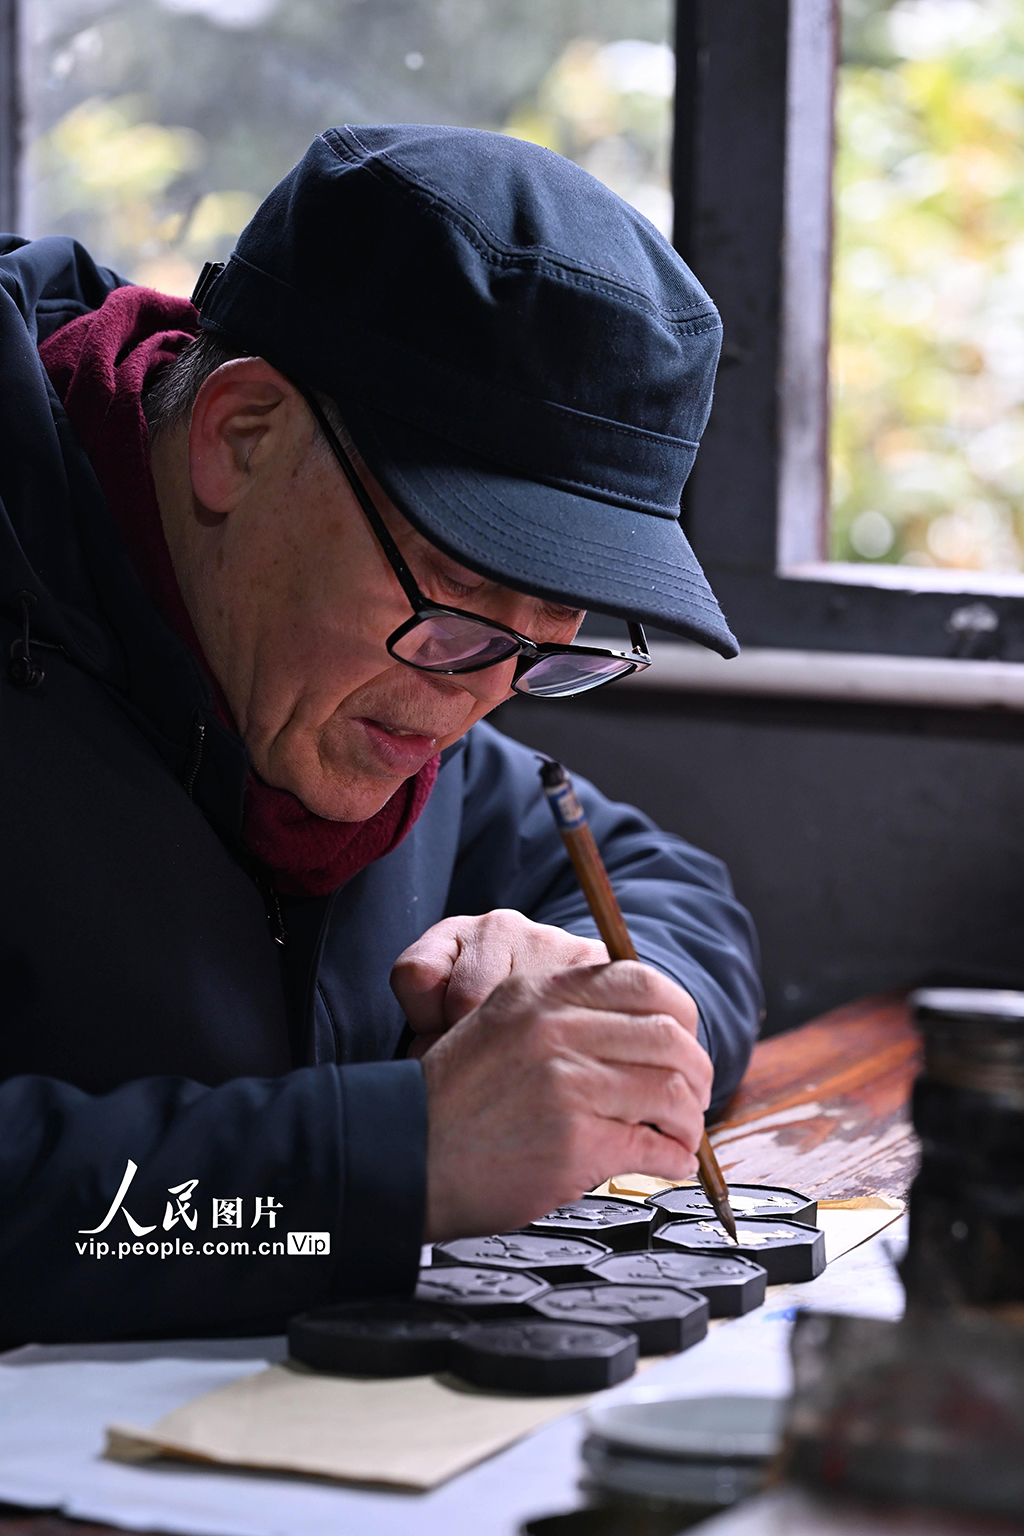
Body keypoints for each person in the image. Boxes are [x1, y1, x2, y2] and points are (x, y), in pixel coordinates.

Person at [0, 124, 761, 1347]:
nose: (481, 697)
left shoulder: (392, 684)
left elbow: (672, 888)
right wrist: (391, 1163)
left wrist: (600, 1007)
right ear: (242, 437)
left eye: (553, 635)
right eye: (459, 591)